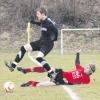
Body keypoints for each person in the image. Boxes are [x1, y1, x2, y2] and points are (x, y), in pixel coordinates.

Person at [5, 7, 58, 76]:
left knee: (38, 58)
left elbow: (56, 30)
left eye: (38, 14)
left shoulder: (49, 23)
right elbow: (41, 24)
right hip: (40, 42)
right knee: (23, 48)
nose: (37, 15)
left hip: (47, 44)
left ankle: (51, 73)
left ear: (43, 14)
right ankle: (13, 66)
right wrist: (33, 22)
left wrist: (55, 39)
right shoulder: (43, 21)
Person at [17, 49, 96, 87]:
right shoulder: (80, 69)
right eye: (87, 66)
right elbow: (77, 62)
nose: (86, 67)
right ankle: (25, 70)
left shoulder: (87, 80)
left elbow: (77, 83)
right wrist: (78, 53)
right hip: (60, 73)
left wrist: (67, 82)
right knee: (47, 68)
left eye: (88, 68)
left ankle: (30, 82)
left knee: (41, 85)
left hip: (61, 81)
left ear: (91, 72)